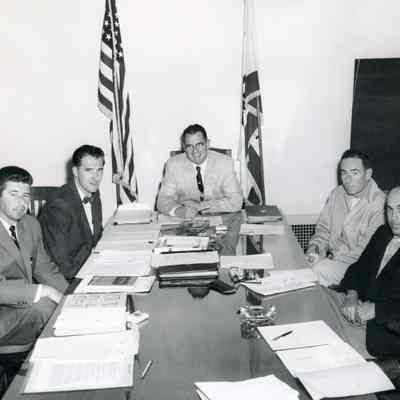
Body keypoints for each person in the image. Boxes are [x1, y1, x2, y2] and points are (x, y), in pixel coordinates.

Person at [329, 187, 400, 387]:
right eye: (390, 209)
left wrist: (376, 310)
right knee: (314, 300)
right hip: (356, 310)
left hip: (383, 332)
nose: (394, 218)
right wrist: (351, 294)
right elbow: (358, 269)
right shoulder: (383, 233)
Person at [0, 166, 68, 352]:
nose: (21, 202)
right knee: (46, 306)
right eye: (13, 194)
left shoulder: (30, 224)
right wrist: (43, 290)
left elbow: (45, 269)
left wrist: (70, 298)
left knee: (66, 307)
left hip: (21, 307)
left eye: (25, 195)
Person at [306, 149, 385, 286]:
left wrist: (330, 259)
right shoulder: (337, 194)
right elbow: (323, 230)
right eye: (344, 173)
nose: (348, 179)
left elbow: (366, 252)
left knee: (317, 270)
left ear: (368, 174)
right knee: (303, 266)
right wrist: (315, 249)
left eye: (354, 173)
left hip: (359, 268)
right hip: (330, 261)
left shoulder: (380, 204)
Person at [39, 145, 104, 280]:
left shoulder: (93, 192)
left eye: (99, 170)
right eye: (89, 170)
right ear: (75, 171)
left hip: (88, 265)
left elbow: (94, 237)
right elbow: (63, 267)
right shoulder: (58, 206)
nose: (96, 177)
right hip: (68, 278)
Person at [157, 124, 243, 218]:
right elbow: (163, 200)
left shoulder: (225, 163)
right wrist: (178, 211)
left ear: (208, 144)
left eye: (199, 145)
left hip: (220, 217)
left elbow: (236, 200)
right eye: (189, 146)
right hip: (185, 219)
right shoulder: (173, 165)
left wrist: (201, 207)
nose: (195, 151)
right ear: (184, 147)